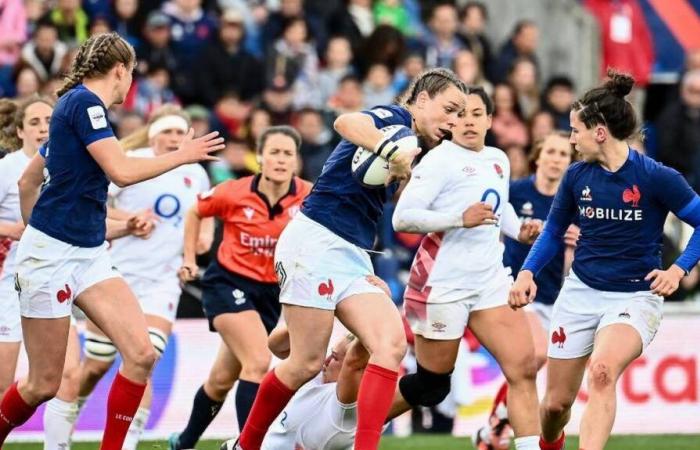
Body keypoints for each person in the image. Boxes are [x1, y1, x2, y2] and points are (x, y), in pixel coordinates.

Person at [0, 32, 224, 449]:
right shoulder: (85, 104)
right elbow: (120, 172)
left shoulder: (75, 110)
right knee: (42, 383)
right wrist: (184, 153)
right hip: (51, 257)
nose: (130, 85)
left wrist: (36, 223)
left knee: (141, 355)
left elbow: (29, 179)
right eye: (131, 74)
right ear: (121, 70)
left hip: (88, 253)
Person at [234, 68, 467, 450]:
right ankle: (246, 446)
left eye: (461, 115)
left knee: (390, 345)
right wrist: (392, 151)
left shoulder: (420, 148)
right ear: (422, 99)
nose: (455, 121)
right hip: (316, 241)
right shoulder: (394, 120)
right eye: (451, 109)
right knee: (306, 363)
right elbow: (346, 120)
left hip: (353, 254)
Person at [509, 70, 700, 450]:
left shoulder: (656, 177)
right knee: (555, 406)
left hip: (634, 296)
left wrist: (678, 268)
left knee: (601, 372)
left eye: (575, 129)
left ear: (599, 132)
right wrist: (527, 272)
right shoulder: (576, 176)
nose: (571, 138)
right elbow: (552, 231)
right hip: (580, 292)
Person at [389, 85, 542, 450]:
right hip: (442, 284)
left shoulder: (498, 158)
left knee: (523, 368)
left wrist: (518, 229)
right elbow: (402, 218)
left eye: (477, 114)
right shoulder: (438, 160)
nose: (468, 121)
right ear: (450, 121)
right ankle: (345, 427)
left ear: (490, 119)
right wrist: (459, 218)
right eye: (460, 114)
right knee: (431, 385)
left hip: (489, 281)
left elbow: (496, 207)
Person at [57, 106, 213, 450]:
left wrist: (201, 239)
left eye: (179, 133)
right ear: (153, 133)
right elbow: (93, 204)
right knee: (96, 366)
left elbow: (205, 211)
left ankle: (126, 444)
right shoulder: (129, 162)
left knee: (145, 358)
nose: (173, 139)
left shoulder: (196, 174)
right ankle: (64, 427)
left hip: (163, 282)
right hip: (116, 276)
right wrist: (129, 219)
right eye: (167, 132)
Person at [169, 126, 312, 450]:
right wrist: (190, 257)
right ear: (260, 157)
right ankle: (250, 445)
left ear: (296, 161)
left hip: (272, 294)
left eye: (287, 153)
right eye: (273, 152)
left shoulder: (309, 197)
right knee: (259, 361)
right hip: (228, 283)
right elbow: (196, 210)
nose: (280, 159)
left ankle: (183, 443)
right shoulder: (233, 191)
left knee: (221, 381)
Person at [472, 131, 578, 450]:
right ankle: (500, 425)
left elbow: (576, 253)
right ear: (538, 156)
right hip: (515, 289)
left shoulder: (573, 202)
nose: (557, 159)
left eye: (564, 154)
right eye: (552, 152)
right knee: (535, 355)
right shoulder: (515, 191)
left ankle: (495, 426)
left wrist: (576, 244)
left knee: (530, 368)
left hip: (554, 296)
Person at [221, 276, 393, 450]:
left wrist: (379, 305)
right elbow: (275, 345)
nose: (327, 360)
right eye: (331, 353)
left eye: (335, 358)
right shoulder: (315, 373)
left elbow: (360, 355)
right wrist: (317, 317)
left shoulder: (347, 403)